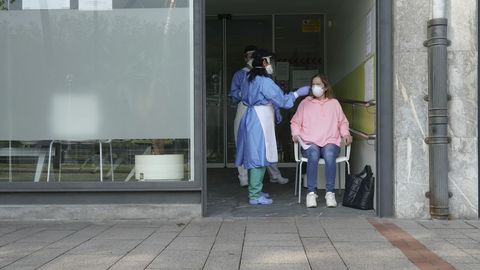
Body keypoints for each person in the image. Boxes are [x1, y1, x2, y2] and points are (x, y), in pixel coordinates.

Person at [235, 49, 310, 205]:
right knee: (259, 156)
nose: (272, 64)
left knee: (254, 155)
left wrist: (274, 108)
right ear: (264, 62)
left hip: (251, 118)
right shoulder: (264, 81)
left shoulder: (248, 78)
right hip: (260, 120)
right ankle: (254, 195)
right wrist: (296, 94)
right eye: (270, 61)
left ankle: (255, 189)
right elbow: (282, 100)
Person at [230, 45, 289, 187]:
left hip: (263, 111)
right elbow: (233, 94)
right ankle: (244, 177)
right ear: (245, 58)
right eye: (249, 56)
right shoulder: (240, 74)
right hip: (245, 109)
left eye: (253, 55)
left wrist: (276, 110)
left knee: (267, 144)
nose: (251, 58)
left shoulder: (265, 76)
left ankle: (274, 174)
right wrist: (246, 94)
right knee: (244, 143)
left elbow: (273, 95)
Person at [290, 74, 353, 208]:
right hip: (309, 142)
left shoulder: (334, 103)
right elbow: (295, 122)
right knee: (313, 154)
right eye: (313, 84)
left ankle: (330, 193)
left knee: (330, 155)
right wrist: (295, 134)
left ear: (325, 87)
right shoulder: (305, 103)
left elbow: (342, 122)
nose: (315, 87)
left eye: (318, 84)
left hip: (330, 141)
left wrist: (346, 134)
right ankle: (311, 193)